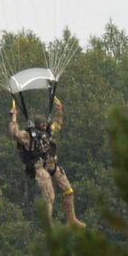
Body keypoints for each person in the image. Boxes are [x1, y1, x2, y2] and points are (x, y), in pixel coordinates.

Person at [9, 97, 85, 227]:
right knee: (50, 196)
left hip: (52, 165)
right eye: (42, 124)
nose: (44, 126)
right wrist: (13, 117)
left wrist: (59, 110)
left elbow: (57, 124)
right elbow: (15, 134)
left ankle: (71, 219)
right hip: (39, 167)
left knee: (68, 190)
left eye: (45, 124)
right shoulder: (29, 135)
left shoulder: (49, 131)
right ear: (38, 125)